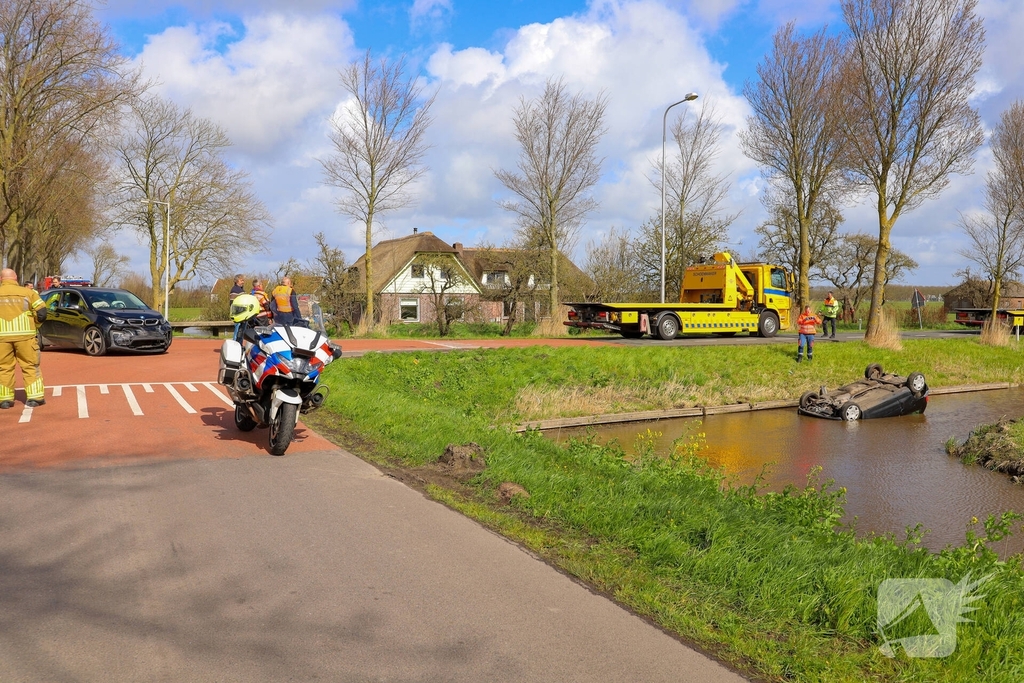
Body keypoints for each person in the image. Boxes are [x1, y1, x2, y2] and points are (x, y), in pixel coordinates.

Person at [0, 268, 48, 409]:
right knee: (30, 366)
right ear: (15, 278)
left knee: (3, 368)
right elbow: (42, 313)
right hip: (25, 337)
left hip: (2, 338)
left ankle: (5, 400)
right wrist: (35, 326)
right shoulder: (28, 293)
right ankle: (35, 398)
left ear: (1, 279)